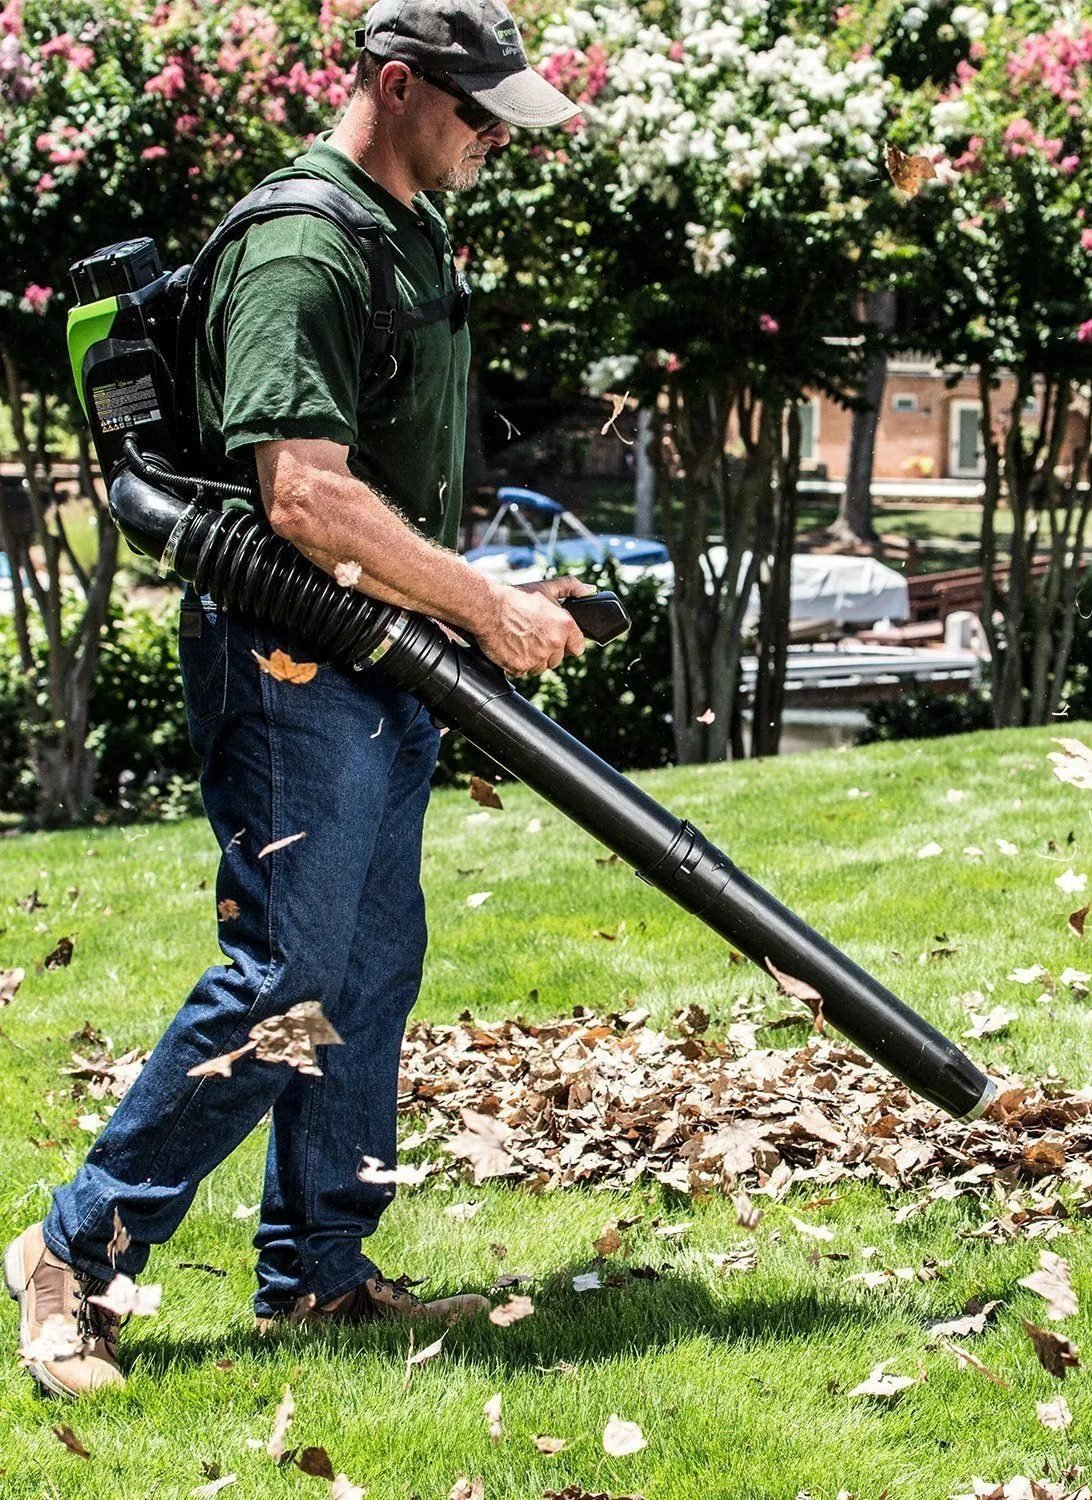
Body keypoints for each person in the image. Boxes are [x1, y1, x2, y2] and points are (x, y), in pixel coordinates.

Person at [5, 0, 587, 1398]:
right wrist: (487, 603)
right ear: (396, 83)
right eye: (476, 110)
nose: (496, 139)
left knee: (370, 968)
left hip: (378, 665)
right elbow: (305, 494)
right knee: (289, 978)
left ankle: (320, 1271)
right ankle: (75, 1254)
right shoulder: (305, 242)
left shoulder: (409, 230)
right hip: (291, 665)